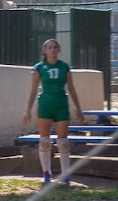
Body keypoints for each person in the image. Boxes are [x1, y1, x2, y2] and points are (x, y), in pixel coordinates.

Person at [23, 38, 83, 185]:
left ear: (58, 50)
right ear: (44, 50)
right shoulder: (39, 68)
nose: (52, 49)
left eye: (55, 47)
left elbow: (72, 88)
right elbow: (33, 91)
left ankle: (65, 174)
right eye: (49, 47)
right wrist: (28, 110)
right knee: (44, 141)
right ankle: (46, 173)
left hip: (61, 104)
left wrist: (78, 108)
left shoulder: (65, 67)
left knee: (63, 142)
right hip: (45, 104)